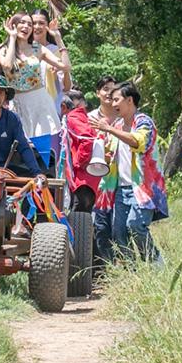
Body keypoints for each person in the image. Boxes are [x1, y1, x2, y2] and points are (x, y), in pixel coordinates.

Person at [91, 82, 168, 262]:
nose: (113, 104)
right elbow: (112, 152)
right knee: (119, 234)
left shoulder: (144, 122)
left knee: (135, 226)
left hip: (142, 188)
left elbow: (138, 142)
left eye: (116, 100)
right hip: (120, 188)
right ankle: (132, 271)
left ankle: (156, 264)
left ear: (129, 100)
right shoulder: (117, 125)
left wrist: (108, 128)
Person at [0, 13, 69, 172]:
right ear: (13, 25)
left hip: (40, 103)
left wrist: (57, 38)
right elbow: (7, 67)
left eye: (29, 24)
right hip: (18, 104)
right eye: (22, 23)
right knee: (20, 156)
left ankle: (45, 184)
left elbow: (65, 66)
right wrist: (12, 38)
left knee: (43, 156)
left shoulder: (37, 48)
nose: (27, 27)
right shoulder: (3, 49)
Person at [87, 75, 119, 270]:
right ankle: (103, 268)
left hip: (120, 177)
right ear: (97, 93)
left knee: (119, 224)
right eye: (105, 89)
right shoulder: (89, 118)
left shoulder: (123, 117)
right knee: (99, 224)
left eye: (113, 89)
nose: (109, 93)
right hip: (96, 179)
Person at [60, 89, 101, 212]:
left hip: (83, 176)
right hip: (88, 175)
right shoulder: (82, 116)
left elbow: (87, 139)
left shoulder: (73, 117)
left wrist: (79, 162)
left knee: (79, 214)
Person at [30, 7, 72, 117]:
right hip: (28, 107)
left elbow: (67, 87)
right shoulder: (24, 49)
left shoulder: (55, 50)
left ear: (47, 25)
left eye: (41, 23)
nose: (37, 26)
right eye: (33, 23)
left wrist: (58, 37)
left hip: (51, 109)